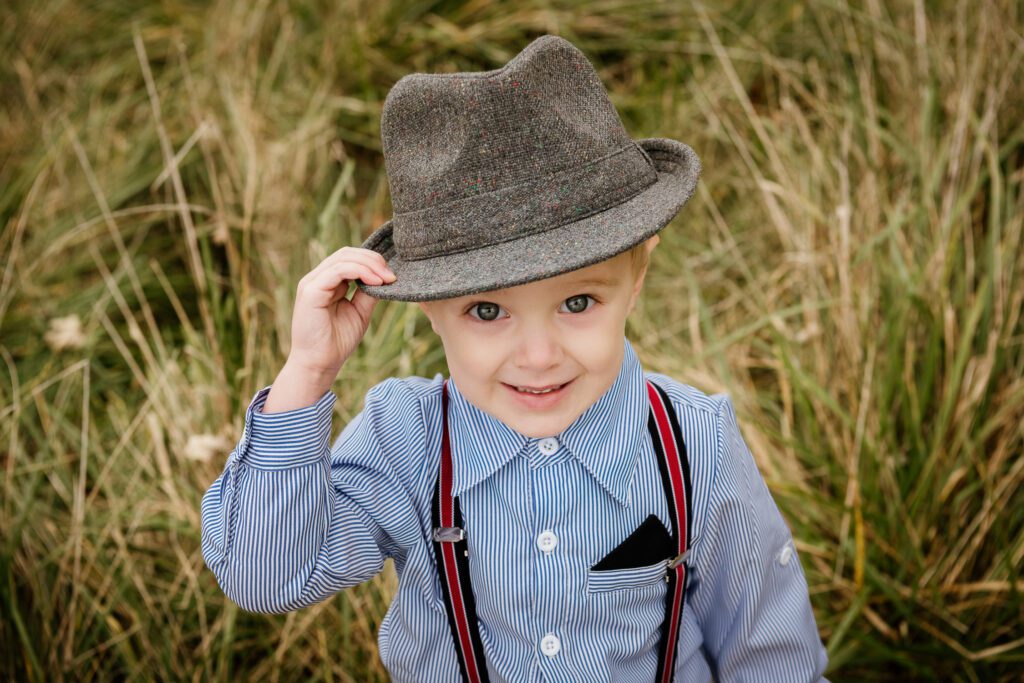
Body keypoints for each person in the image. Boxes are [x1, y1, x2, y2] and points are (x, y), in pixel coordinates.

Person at [200, 34, 829, 682]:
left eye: (578, 301)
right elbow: (266, 576)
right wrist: (308, 371)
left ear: (635, 280)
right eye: (488, 311)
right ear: (430, 307)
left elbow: (772, 656)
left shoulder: (694, 444)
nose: (538, 355)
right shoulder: (409, 440)